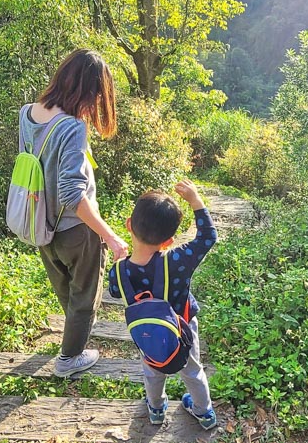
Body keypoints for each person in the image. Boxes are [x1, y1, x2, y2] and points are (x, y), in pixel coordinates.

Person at [20, 49, 129, 378]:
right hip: (75, 231)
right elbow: (73, 194)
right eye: (98, 94)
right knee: (85, 294)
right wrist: (109, 236)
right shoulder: (72, 128)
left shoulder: (28, 114)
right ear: (88, 90)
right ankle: (69, 358)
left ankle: (73, 332)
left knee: (67, 290)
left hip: (40, 224)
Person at [107, 178, 218, 430]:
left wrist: (121, 262)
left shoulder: (118, 272)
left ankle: (156, 409)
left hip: (147, 334)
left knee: (153, 371)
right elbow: (208, 237)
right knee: (192, 370)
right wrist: (196, 201)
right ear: (168, 241)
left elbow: (114, 292)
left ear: (128, 225)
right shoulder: (178, 261)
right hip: (183, 329)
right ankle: (204, 412)